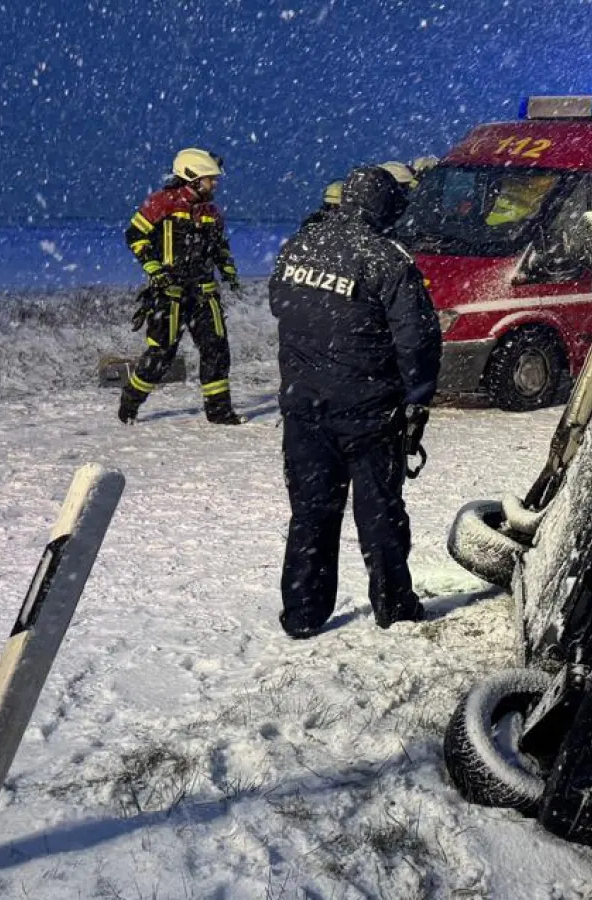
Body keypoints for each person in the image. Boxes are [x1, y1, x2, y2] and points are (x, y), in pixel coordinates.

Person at [267, 166, 442, 639]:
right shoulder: (387, 259)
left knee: (311, 512)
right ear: (383, 206)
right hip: (368, 412)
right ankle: (394, 605)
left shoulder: (300, 245)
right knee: (379, 514)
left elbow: (279, 305)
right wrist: (418, 398)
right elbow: (418, 339)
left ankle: (303, 611)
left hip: (303, 408)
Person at [119, 147, 245, 425]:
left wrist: (228, 269)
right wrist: (152, 267)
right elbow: (134, 235)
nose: (215, 184)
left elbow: (220, 246)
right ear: (192, 177)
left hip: (203, 293)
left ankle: (219, 412)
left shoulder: (211, 211)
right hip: (168, 294)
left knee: (216, 349)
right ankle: (129, 402)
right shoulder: (161, 203)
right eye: (210, 179)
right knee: (161, 356)